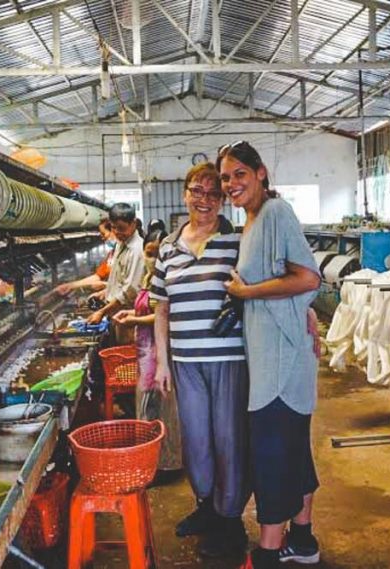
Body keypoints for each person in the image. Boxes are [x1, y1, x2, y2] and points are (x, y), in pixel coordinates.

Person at [218, 141, 323, 569]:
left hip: (279, 362)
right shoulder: (252, 220)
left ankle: (266, 555)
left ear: (261, 173)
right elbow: (295, 285)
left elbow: (308, 276)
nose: (231, 184)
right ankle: (302, 541)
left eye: (239, 174)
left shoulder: (276, 213)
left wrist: (247, 293)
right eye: (226, 178)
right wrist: (304, 310)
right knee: (293, 451)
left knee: (273, 457)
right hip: (277, 355)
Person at [150, 162, 250, 558]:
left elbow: (262, 288)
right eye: (197, 191)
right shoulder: (167, 249)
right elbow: (161, 309)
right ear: (185, 193)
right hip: (185, 361)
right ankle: (206, 508)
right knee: (196, 442)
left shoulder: (238, 241)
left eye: (213, 193)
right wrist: (162, 362)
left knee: (229, 439)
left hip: (229, 359)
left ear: (223, 199)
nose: (204, 200)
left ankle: (230, 520)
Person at [113, 229, 182, 472]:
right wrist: (130, 313)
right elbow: (145, 310)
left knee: (157, 410)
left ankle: (164, 464)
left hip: (157, 352)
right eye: (148, 253)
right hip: (144, 352)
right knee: (146, 407)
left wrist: (134, 321)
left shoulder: (166, 281)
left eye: (155, 254)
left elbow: (162, 316)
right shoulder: (147, 279)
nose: (150, 258)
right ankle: (151, 461)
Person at [87, 203, 143, 326]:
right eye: (113, 228)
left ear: (133, 223)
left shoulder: (137, 250)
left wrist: (101, 312)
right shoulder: (120, 244)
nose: (117, 232)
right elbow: (118, 280)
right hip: (117, 314)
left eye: (121, 228)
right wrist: (106, 292)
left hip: (128, 317)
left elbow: (130, 291)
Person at [54, 218, 114, 296]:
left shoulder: (129, 253)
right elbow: (98, 276)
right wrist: (70, 286)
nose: (102, 238)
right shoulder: (112, 255)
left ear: (114, 231)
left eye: (103, 234)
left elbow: (130, 286)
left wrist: (105, 285)